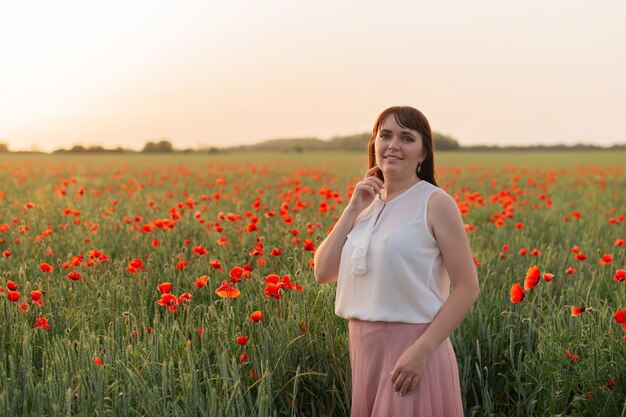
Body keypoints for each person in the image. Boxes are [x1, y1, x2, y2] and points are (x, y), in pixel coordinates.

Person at [314, 106, 480, 417]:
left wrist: (423, 350)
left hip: (413, 350)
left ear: (423, 152)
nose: (393, 145)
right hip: (364, 351)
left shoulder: (435, 203)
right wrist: (351, 210)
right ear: (373, 144)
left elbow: (467, 287)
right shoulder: (365, 205)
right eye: (385, 135)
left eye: (406, 138)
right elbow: (323, 271)